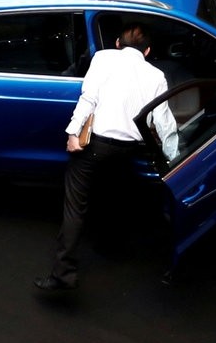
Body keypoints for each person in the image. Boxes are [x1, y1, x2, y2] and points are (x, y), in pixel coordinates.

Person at [35, 23, 176, 294]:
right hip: (127, 149)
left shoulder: (103, 58)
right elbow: (163, 120)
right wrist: (173, 157)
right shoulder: (157, 75)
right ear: (147, 51)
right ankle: (112, 247)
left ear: (117, 43)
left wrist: (73, 133)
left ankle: (64, 275)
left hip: (95, 145)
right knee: (116, 196)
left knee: (76, 206)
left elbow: (89, 98)